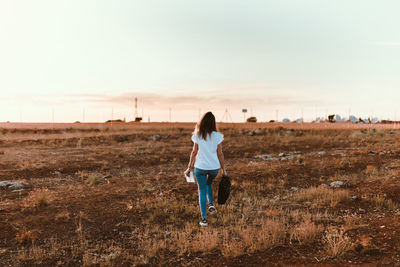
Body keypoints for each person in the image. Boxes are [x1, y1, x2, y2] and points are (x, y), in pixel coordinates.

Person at [184, 112, 227, 226]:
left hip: (200, 168)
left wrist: (189, 168)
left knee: (202, 191)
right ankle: (211, 204)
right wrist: (224, 169)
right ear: (213, 123)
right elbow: (220, 154)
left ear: (202, 122)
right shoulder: (217, 136)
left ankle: (204, 219)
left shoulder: (198, 135)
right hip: (214, 168)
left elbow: (194, 152)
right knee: (209, 184)